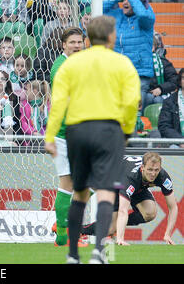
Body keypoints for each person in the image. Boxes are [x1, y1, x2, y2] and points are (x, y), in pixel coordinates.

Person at [44, 16, 141, 264]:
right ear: (111, 37)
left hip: (76, 131)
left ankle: (73, 255)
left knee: (80, 191)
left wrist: (49, 134)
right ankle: (98, 252)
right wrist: (127, 131)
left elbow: (58, 104)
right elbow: (131, 101)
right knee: (106, 192)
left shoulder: (72, 65)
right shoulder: (121, 63)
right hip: (108, 131)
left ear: (88, 39)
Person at [81, 153, 179, 245]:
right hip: (116, 181)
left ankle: (118, 225)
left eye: (156, 170)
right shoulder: (131, 177)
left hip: (139, 186)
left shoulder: (162, 176)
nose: (153, 174)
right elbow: (123, 211)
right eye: (150, 170)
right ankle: (80, 230)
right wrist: (120, 239)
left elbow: (173, 207)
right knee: (110, 228)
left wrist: (168, 234)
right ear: (142, 168)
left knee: (150, 213)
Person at [48, 27, 86, 247]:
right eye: (72, 42)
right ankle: (65, 233)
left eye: (79, 42)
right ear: (63, 44)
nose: (76, 46)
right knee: (68, 183)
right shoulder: (60, 68)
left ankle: (63, 227)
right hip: (66, 133)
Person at [103, 0, 155, 114]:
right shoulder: (117, 15)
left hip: (138, 74)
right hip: (117, 74)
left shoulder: (146, 15)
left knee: (133, 115)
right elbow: (97, 10)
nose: (126, 2)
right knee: (114, 113)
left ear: (138, 2)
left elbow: (142, 14)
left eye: (130, 0)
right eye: (124, 0)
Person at [158, 68, 184, 149]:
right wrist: (180, 141)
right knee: (173, 148)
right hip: (177, 143)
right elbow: (164, 126)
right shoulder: (169, 101)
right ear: (180, 81)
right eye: (183, 78)